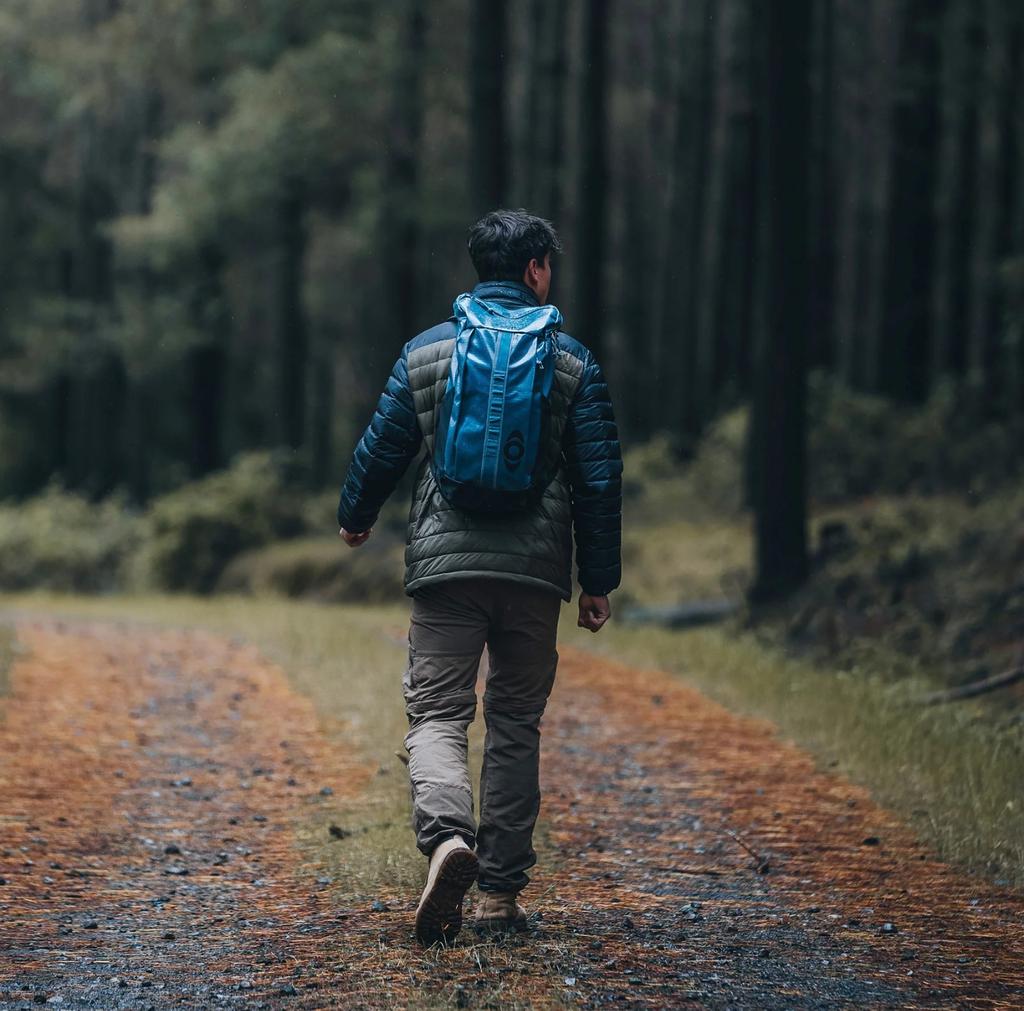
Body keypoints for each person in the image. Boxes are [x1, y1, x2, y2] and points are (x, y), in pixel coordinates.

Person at [337, 208, 622, 946]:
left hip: (445, 565)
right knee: (515, 721)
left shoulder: (429, 351)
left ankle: (446, 839)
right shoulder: (573, 361)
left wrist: (355, 514)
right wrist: (598, 578)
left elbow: (384, 443)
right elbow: (597, 479)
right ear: (534, 271)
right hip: (533, 574)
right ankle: (497, 894)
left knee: (437, 712)